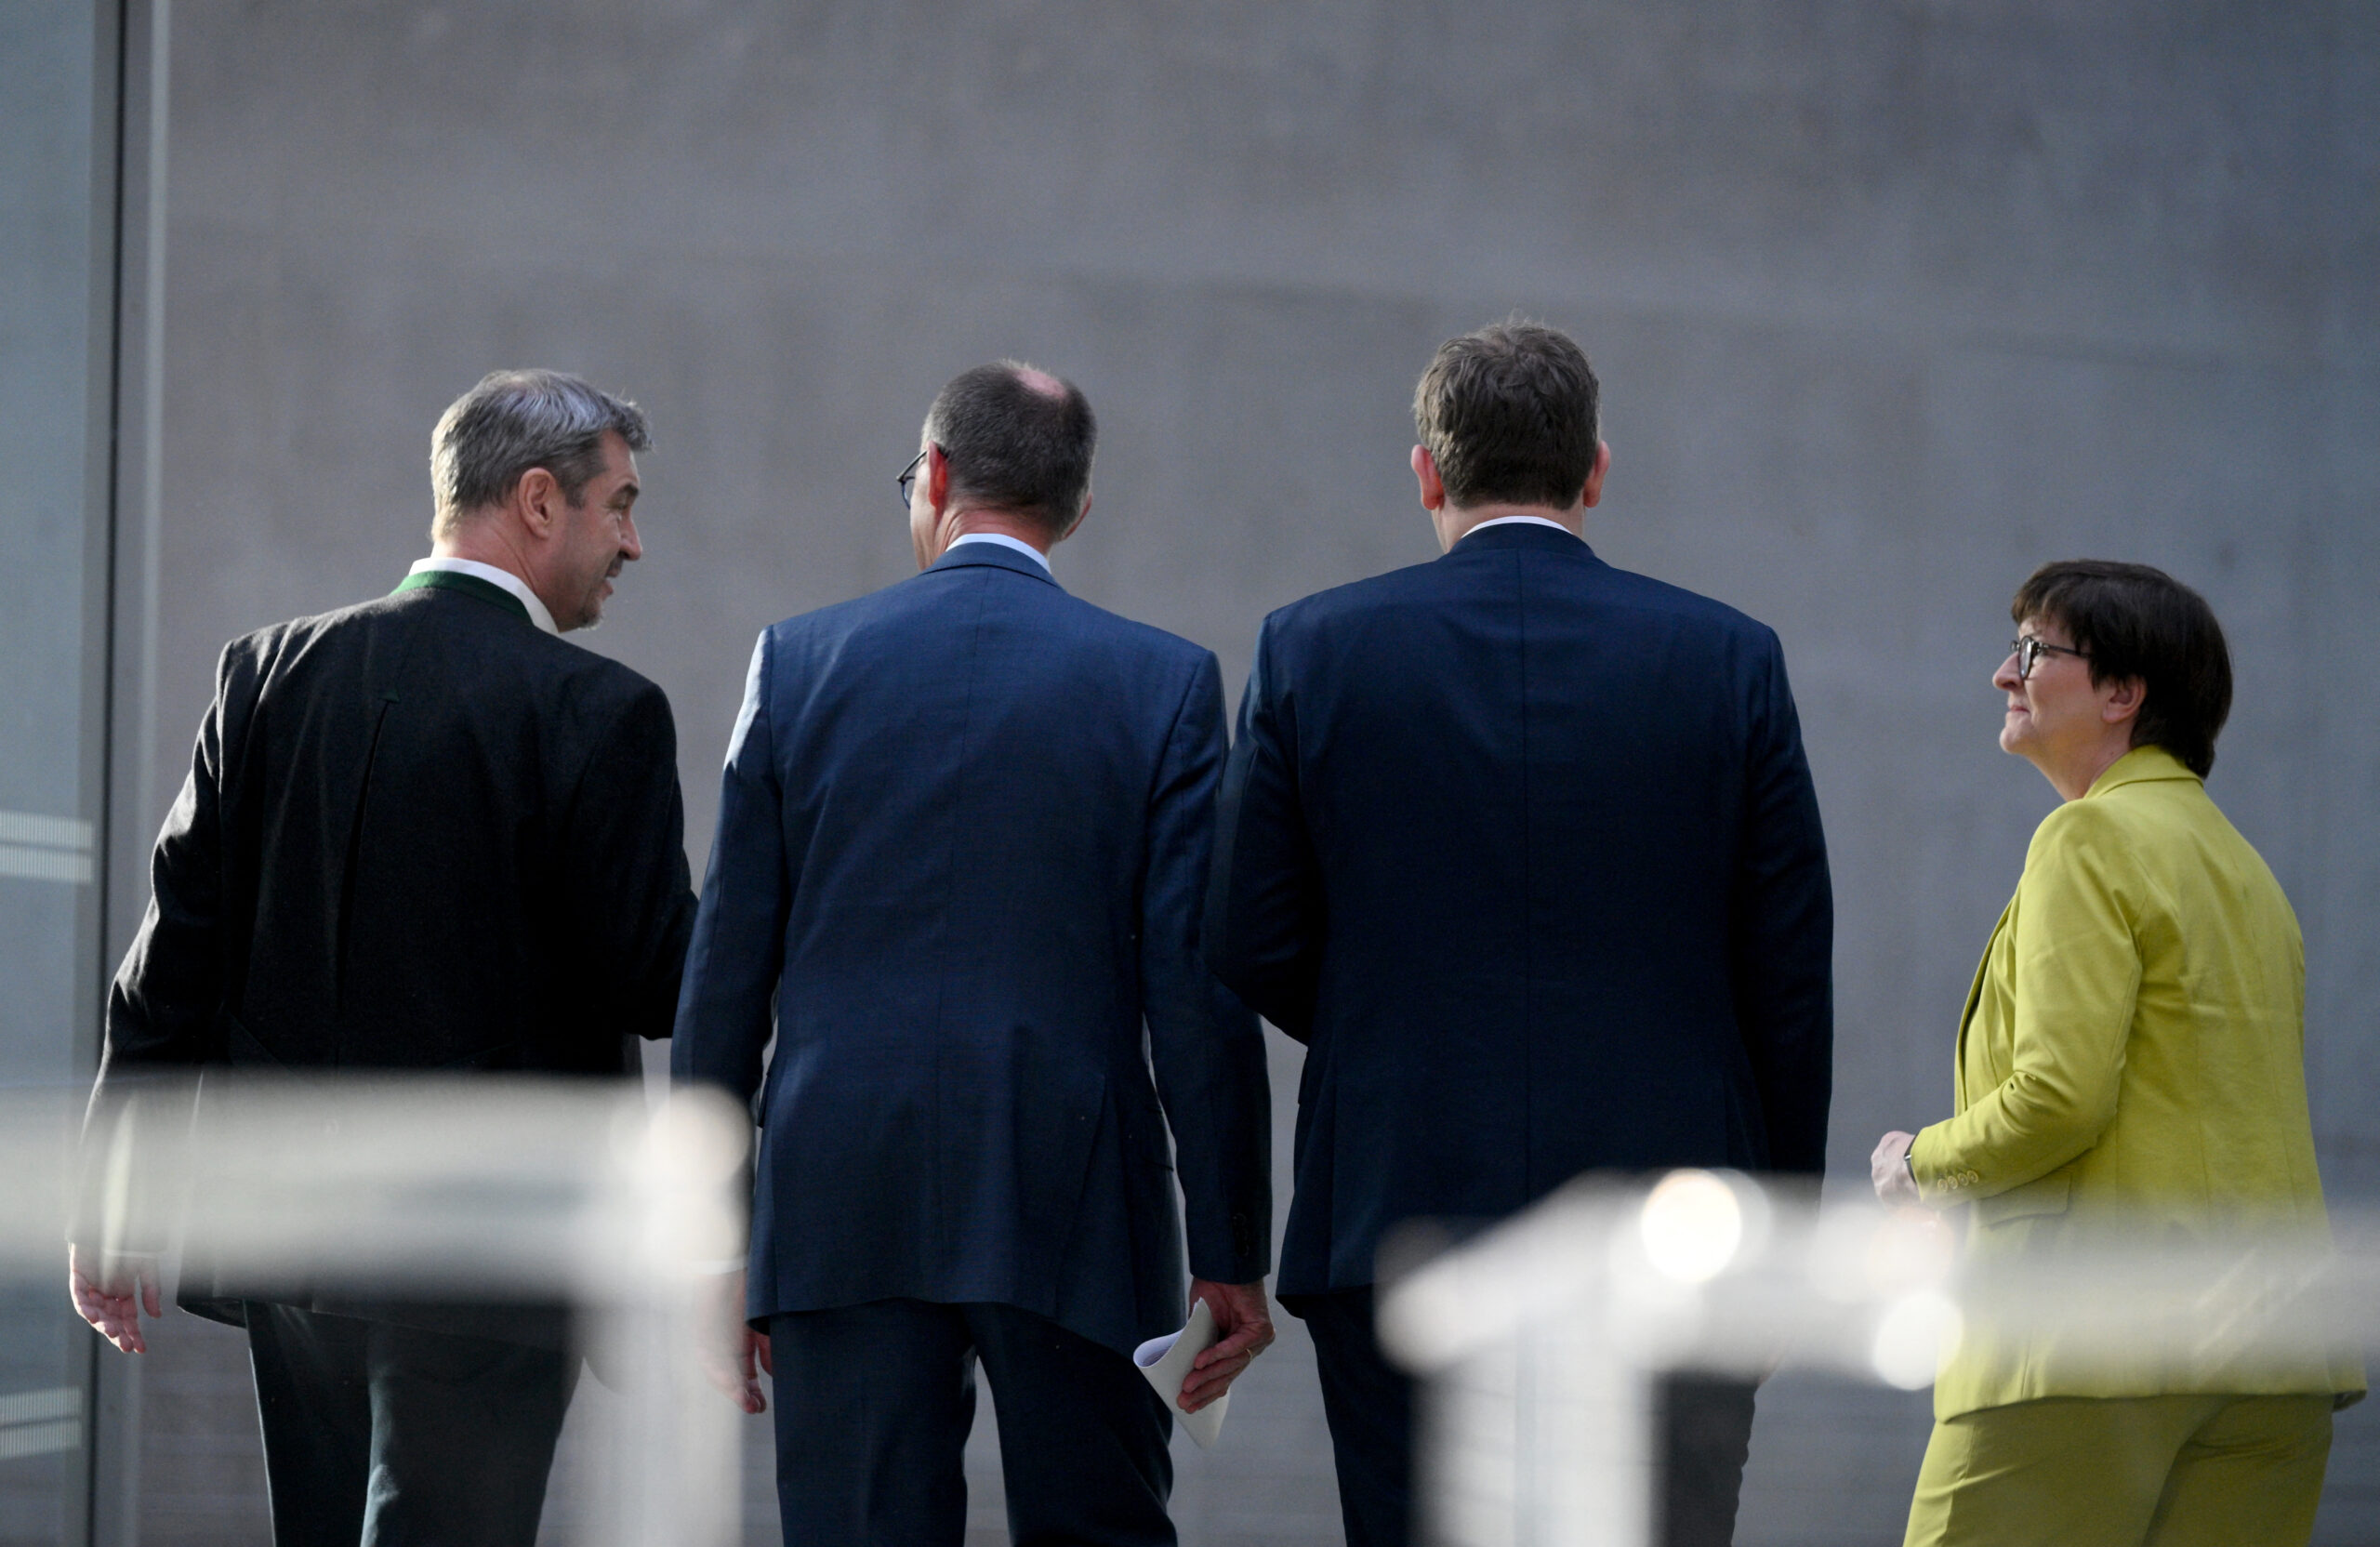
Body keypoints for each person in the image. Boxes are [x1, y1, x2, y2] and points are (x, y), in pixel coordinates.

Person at [1205, 319, 1834, 1547]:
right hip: (1677, 1229)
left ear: (1427, 475)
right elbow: (1787, 976)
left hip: (1396, 1207)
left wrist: (1390, 1012)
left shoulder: (1311, 649)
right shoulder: (1729, 661)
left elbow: (1245, 933)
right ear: (1596, 470)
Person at [71, 369, 697, 1547]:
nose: (635, 541)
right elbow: (659, 979)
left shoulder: (264, 673)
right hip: (494, 1254)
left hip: (289, 1238)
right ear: (537, 500)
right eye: (619, 504)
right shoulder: (599, 711)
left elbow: (171, 967)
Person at [671, 361, 1274, 1546]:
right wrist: (1230, 1247)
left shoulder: (794, 664)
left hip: (840, 1195)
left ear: (935, 476)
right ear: (1078, 508)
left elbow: (725, 976)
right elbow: (1196, 992)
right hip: (1078, 1197)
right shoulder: (1163, 683)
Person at [1871, 561, 2363, 1547]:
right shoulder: (2247, 873)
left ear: (2120, 690)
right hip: (2272, 1361)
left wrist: (1918, 1161)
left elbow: (2057, 1094)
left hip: (2083, 1342)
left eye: (2030, 650)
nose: (2001, 676)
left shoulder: (2086, 838)